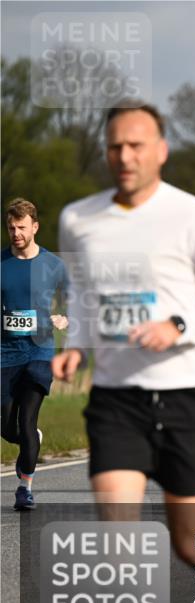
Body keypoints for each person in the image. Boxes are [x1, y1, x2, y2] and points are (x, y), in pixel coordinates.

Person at [52, 102, 195, 603]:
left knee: (188, 543)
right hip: (116, 401)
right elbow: (87, 299)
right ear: (106, 150)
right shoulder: (78, 219)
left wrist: (179, 326)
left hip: (186, 396)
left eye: (138, 145)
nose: (125, 156)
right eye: (116, 145)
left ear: (161, 150)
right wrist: (76, 348)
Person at [2, 198, 69, 510]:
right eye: (11, 227)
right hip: (5, 354)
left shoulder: (53, 265)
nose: (16, 233)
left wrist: (65, 317)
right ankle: (31, 441)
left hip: (39, 351)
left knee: (27, 421)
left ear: (35, 227)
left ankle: (24, 488)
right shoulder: (1, 264)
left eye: (21, 227)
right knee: (7, 428)